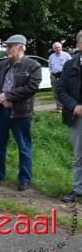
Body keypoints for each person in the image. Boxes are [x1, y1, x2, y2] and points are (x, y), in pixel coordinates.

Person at [0, 35, 42, 191]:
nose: (7, 49)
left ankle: (24, 179)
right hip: (1, 110)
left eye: (11, 46)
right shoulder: (2, 64)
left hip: (20, 113)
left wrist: (9, 96)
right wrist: (1, 97)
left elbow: (31, 88)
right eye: (7, 46)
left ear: (21, 47)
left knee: (24, 147)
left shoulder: (33, 66)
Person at [57, 30, 82, 202]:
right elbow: (61, 90)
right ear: (79, 45)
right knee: (79, 155)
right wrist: (74, 106)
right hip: (77, 116)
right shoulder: (69, 65)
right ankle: (78, 189)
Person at [49, 42, 72, 111]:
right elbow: (50, 66)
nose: (58, 49)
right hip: (54, 75)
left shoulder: (66, 55)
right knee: (55, 91)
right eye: (56, 48)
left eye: (59, 47)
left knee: (65, 90)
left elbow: (71, 65)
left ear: (61, 47)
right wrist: (51, 73)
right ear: (53, 49)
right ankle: (59, 106)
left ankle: (67, 105)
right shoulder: (51, 56)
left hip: (64, 75)